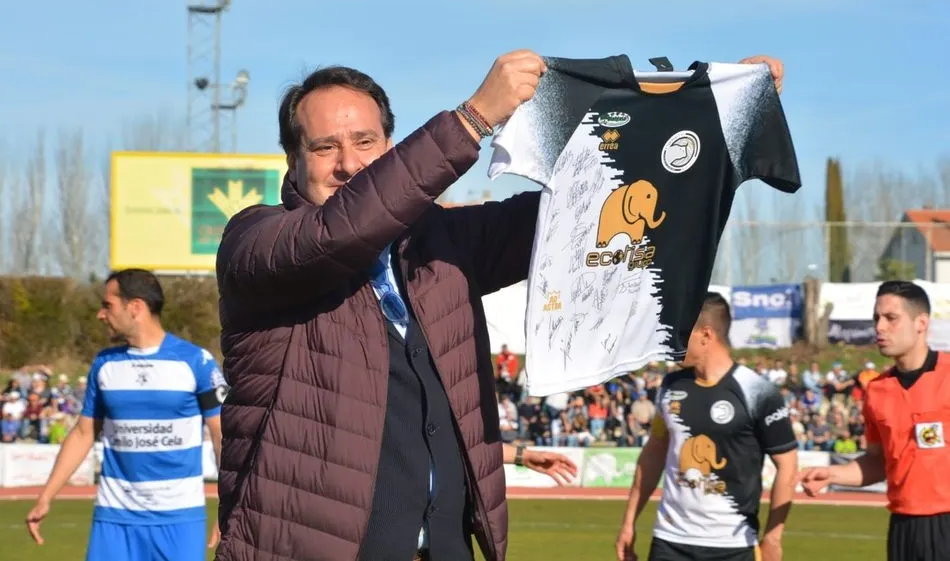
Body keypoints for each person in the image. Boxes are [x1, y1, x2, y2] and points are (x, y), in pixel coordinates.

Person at [213, 50, 786, 561]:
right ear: (292, 160)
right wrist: (471, 120)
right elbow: (340, 232)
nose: (349, 163)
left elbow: (579, 211)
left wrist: (710, 114)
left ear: (389, 147)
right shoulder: (257, 243)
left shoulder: (437, 242)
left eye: (365, 142)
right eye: (325, 147)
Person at [25, 269, 227, 561]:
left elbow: (222, 437)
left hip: (180, 519)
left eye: (108, 305)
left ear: (135, 307)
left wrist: (228, 504)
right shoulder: (104, 364)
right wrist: (46, 496)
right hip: (114, 519)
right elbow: (83, 434)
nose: (100, 314)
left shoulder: (197, 362)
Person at [615, 292, 798, 561]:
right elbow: (654, 453)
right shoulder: (670, 386)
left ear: (706, 335)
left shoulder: (759, 392)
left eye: (679, 333)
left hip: (734, 545)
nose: (670, 341)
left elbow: (788, 466)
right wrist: (629, 521)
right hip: (670, 542)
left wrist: (773, 536)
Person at [800, 280, 949, 561]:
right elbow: (878, 461)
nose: (880, 327)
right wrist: (832, 474)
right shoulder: (877, 391)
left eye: (891, 318)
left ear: (921, 323)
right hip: (903, 527)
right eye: (876, 318)